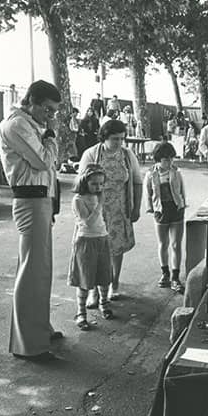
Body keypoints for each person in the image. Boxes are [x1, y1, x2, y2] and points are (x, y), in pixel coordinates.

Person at [0, 80, 62, 362]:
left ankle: (39, 329)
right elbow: (42, 161)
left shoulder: (32, 125)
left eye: (54, 112)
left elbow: (48, 162)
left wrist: (49, 139)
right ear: (31, 101)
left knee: (41, 271)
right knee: (31, 273)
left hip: (42, 200)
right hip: (30, 199)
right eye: (47, 109)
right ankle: (29, 344)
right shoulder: (17, 125)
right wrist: (51, 139)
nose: (50, 116)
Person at [79, 120, 143, 303]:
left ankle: (113, 284)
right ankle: (93, 290)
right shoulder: (91, 154)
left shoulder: (127, 155)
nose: (119, 143)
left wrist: (136, 207)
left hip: (120, 209)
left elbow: (137, 182)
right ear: (104, 138)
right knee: (95, 250)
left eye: (122, 139)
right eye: (115, 139)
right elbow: (80, 186)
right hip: (96, 210)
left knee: (116, 249)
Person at [68, 164, 114, 331]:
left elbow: (101, 220)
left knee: (104, 274)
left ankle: (104, 303)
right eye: (94, 184)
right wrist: (99, 205)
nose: (99, 187)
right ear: (85, 181)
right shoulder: (79, 200)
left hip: (101, 238)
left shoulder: (97, 197)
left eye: (101, 184)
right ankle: (81, 312)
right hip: (86, 240)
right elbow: (87, 221)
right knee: (85, 279)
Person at [145, 142, 187, 293]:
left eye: (171, 158)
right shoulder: (151, 174)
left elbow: (182, 191)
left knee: (176, 244)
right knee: (163, 244)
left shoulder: (176, 172)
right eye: (166, 159)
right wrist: (150, 208)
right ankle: (165, 273)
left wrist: (183, 205)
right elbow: (148, 193)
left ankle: (176, 276)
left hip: (176, 209)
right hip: (160, 210)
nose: (170, 162)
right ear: (158, 159)